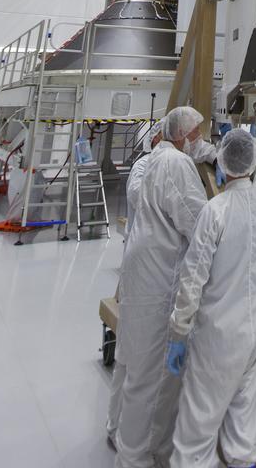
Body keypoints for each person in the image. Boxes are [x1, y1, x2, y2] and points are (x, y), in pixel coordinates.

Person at [167, 129, 256, 468]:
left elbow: (192, 277)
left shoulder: (215, 212)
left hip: (218, 338)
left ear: (223, 165)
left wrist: (179, 332)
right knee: (244, 423)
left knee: (196, 430)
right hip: (255, 332)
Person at [113, 105, 209, 468]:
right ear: (183, 136)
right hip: (159, 279)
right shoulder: (177, 164)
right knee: (152, 379)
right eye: (196, 135)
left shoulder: (154, 159)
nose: (198, 141)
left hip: (143, 271)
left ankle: (133, 449)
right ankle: (137, 457)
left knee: (139, 372)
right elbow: (197, 220)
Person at [106, 119, 164, 448]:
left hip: (153, 270)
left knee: (139, 358)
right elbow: (148, 202)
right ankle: (120, 430)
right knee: (132, 357)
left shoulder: (158, 167)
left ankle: (129, 428)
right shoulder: (144, 169)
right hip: (141, 271)